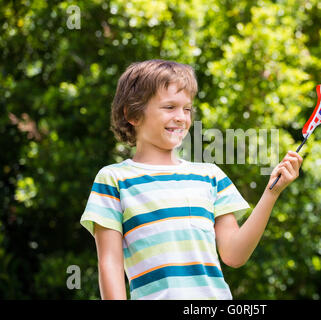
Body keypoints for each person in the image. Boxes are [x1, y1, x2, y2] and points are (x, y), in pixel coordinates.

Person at [80, 59, 303, 300]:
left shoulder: (210, 177)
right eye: (169, 107)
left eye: (186, 109)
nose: (181, 117)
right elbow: (110, 263)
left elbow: (234, 255)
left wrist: (272, 193)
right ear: (132, 114)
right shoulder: (114, 179)